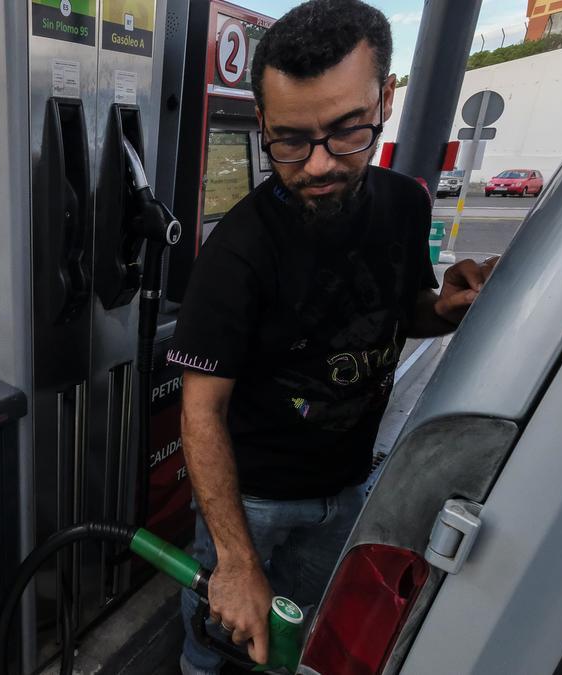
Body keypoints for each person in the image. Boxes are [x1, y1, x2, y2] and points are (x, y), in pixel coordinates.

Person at [171, 1, 496, 672]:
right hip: (250, 500)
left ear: (385, 98)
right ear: (261, 123)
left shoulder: (406, 204)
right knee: (215, 645)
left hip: (350, 487)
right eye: (290, 140)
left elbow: (403, 311)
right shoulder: (237, 252)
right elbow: (200, 411)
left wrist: (449, 308)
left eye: (348, 131)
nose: (318, 164)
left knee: (303, 638)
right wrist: (234, 562)